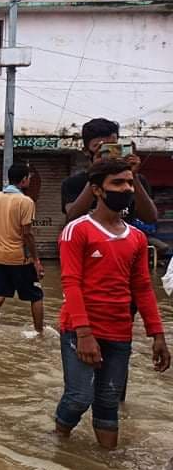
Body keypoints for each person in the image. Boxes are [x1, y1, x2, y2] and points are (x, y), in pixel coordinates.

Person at [55, 159, 170, 449]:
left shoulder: (137, 238)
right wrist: (84, 334)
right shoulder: (77, 230)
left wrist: (158, 335)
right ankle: (58, 443)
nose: (127, 189)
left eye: (130, 183)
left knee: (109, 401)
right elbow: (71, 283)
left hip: (120, 331)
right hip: (80, 329)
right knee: (79, 397)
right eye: (118, 183)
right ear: (97, 190)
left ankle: (107, 465)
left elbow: (143, 288)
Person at [62, 117, 157, 224]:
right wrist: (95, 174)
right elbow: (72, 219)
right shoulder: (74, 183)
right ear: (86, 151)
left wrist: (132, 175)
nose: (107, 152)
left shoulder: (133, 180)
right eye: (100, 147)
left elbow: (150, 218)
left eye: (113, 146)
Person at [0, 163, 45, 332]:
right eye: (29, 178)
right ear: (24, 180)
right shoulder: (26, 202)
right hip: (20, 258)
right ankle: (39, 333)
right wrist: (36, 260)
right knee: (36, 295)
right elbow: (27, 234)